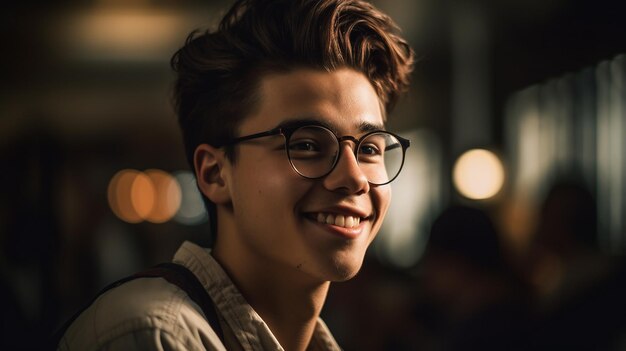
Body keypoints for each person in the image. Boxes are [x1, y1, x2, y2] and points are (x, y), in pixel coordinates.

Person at [56, 0, 414, 349]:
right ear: (215, 174)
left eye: (369, 149)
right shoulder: (154, 335)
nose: (353, 178)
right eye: (305, 145)